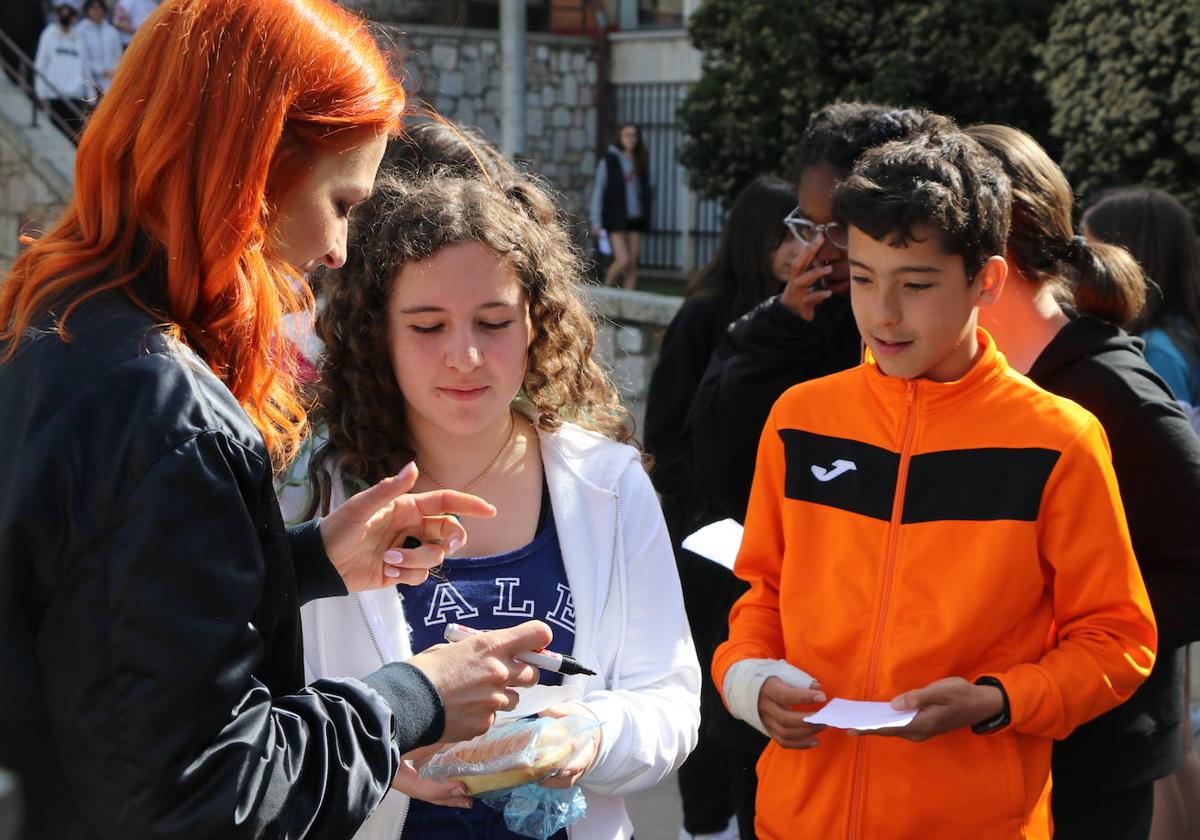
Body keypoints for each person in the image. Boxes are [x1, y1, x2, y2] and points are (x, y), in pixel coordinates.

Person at [0, 2, 553, 838]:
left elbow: (93, 620)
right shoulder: (161, 405)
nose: (338, 251)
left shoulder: (48, 318)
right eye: (340, 201)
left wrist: (297, 563)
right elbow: (209, 795)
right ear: (250, 171)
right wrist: (416, 695)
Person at [713, 117, 1157, 839]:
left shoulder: (1060, 439)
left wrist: (998, 700)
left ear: (987, 280)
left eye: (915, 284)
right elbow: (759, 593)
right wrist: (749, 681)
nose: (883, 314)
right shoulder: (800, 417)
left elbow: (1118, 638)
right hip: (796, 815)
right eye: (862, 278)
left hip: (975, 821)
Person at [291, 172, 700, 840]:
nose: (465, 356)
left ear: (537, 324)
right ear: (378, 335)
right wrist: (375, 754)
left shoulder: (610, 483)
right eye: (427, 326)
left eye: (494, 322)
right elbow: (274, 717)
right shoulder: (317, 493)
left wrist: (593, 731)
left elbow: (673, 703)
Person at [963, 124, 1200, 840]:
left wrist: (1063, 641)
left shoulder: (1113, 389)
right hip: (997, 743)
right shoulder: (976, 379)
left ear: (993, 253)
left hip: (1093, 759)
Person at [643, 175, 799, 840]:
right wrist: (711, 512)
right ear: (761, 236)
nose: (809, 246)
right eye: (795, 231)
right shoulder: (708, 313)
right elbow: (665, 435)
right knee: (714, 684)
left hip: (769, 540)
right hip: (712, 544)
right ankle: (706, 824)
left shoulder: (799, 318)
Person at [687, 102, 925, 524]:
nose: (818, 251)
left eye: (839, 230)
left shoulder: (931, 332)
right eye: (808, 227)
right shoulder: (792, 319)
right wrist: (783, 329)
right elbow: (715, 458)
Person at [1081, 188, 1200, 423]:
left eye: (1091, 248)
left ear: (1125, 255)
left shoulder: (1157, 352)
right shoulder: (1179, 333)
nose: (1078, 261)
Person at [589, 122, 651, 290]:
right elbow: (599, 191)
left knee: (632, 263)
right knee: (622, 259)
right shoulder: (609, 161)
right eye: (627, 135)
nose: (630, 139)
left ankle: (628, 297)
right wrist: (596, 221)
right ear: (620, 137)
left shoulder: (640, 160)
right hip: (615, 217)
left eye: (633, 135)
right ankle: (605, 293)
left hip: (635, 218)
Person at [32, 3, 91, 137]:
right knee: (55, 131)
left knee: (73, 133)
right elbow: (41, 64)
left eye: (68, 14)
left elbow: (85, 66)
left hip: (75, 94)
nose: (65, 17)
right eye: (62, 13)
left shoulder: (79, 38)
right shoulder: (48, 35)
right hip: (54, 93)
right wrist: (41, 93)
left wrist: (90, 95)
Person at [76, 0, 121, 99]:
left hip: (110, 79)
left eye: (99, 8)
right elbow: (81, 58)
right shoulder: (80, 31)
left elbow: (118, 55)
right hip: (89, 80)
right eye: (93, 8)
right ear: (87, 10)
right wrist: (100, 70)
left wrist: (114, 71)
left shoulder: (112, 32)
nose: (96, 11)